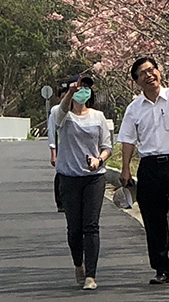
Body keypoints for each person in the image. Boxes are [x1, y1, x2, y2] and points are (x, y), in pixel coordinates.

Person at [118, 51, 169, 285]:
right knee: (154, 220)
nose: (149, 75)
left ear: (159, 72)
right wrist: (125, 169)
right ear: (136, 81)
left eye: (152, 70)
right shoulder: (134, 108)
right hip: (150, 167)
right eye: (143, 73)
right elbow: (128, 139)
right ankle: (162, 268)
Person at [54, 74, 113, 291]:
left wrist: (99, 159)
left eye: (87, 87)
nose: (83, 90)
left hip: (93, 178)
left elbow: (107, 146)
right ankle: (78, 264)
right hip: (69, 178)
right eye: (80, 86)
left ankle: (91, 274)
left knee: (91, 225)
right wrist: (70, 92)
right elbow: (60, 115)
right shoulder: (61, 115)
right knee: (74, 228)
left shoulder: (98, 117)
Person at [47, 82, 69, 212]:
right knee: (60, 174)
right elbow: (52, 133)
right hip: (60, 148)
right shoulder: (55, 111)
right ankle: (60, 202)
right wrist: (53, 153)